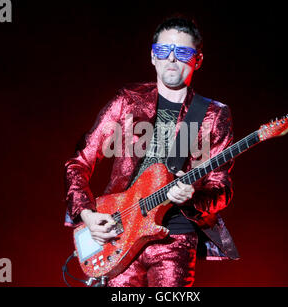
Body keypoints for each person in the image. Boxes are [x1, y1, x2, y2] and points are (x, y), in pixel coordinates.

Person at [64, 16, 239, 287]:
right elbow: (78, 163)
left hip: (175, 234)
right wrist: (87, 214)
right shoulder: (126, 101)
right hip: (119, 230)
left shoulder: (213, 114)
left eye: (182, 52)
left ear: (198, 60)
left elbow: (221, 188)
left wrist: (193, 196)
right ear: (152, 57)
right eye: (163, 51)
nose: (171, 59)